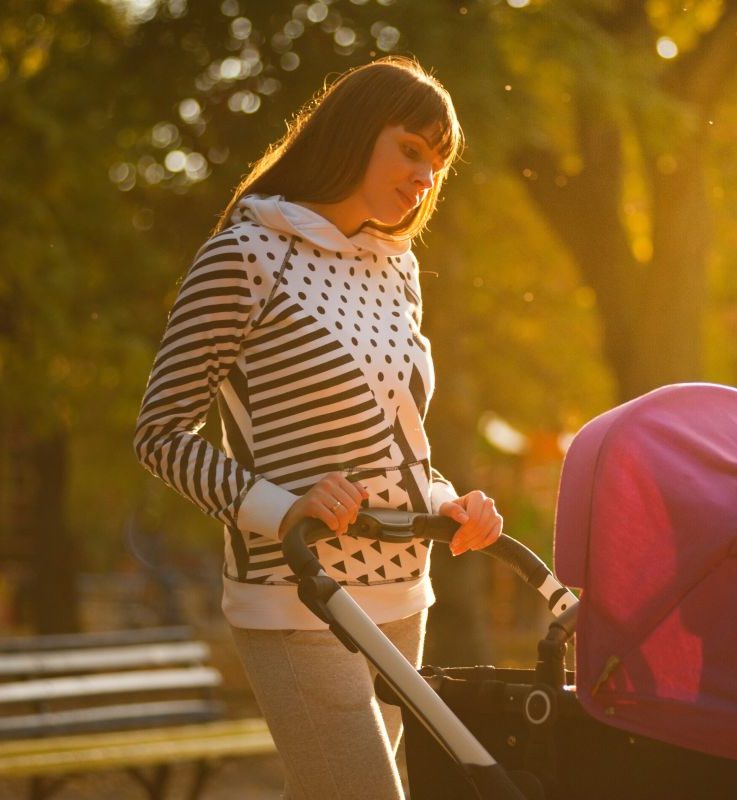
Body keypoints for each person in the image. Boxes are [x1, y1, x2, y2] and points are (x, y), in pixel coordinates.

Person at [133, 56, 503, 799]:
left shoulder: (393, 268)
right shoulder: (244, 254)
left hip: (403, 589)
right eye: (411, 149)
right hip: (298, 587)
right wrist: (281, 505)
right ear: (356, 130)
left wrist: (449, 501)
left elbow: (396, 440)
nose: (426, 177)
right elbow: (161, 434)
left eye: (438, 164)